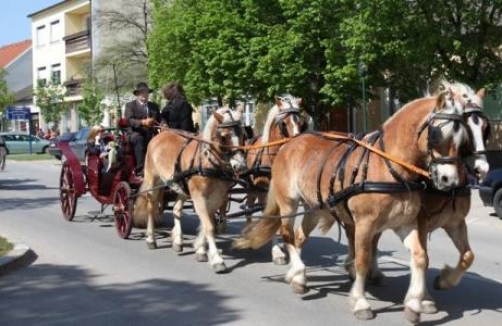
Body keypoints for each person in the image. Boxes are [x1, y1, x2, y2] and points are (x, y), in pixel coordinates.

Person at [124, 82, 161, 176]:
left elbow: (161, 119)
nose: (145, 94)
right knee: (139, 139)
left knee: (162, 140)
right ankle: (141, 169)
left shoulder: (154, 106)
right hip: (134, 133)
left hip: (151, 133)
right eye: (142, 92)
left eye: (146, 92)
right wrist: (142, 122)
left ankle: (161, 165)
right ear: (137, 94)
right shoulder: (130, 106)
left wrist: (164, 125)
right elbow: (129, 120)